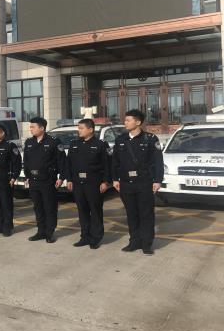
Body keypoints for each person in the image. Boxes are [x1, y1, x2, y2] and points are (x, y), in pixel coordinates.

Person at [112, 109, 164, 255]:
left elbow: (157, 161)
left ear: (138, 122)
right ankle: (134, 242)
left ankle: (146, 244)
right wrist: (115, 179)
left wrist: (157, 180)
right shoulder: (121, 139)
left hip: (144, 182)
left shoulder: (150, 139)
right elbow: (115, 161)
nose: (125, 122)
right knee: (131, 214)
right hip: (126, 183)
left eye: (128, 120)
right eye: (125, 120)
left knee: (146, 214)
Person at [65, 119, 111, 249]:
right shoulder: (74, 144)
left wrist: (105, 182)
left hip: (94, 183)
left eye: (81, 128)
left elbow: (107, 165)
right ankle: (85, 237)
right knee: (82, 211)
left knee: (95, 211)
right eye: (78, 128)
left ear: (90, 129)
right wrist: (69, 179)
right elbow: (69, 164)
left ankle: (96, 237)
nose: (78, 130)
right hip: (78, 183)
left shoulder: (100, 145)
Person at [23, 117, 66, 244]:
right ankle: (40, 231)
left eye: (33, 127)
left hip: (48, 180)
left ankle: (49, 232)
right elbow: (26, 161)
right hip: (33, 180)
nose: (31, 129)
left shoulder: (53, 142)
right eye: (30, 127)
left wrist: (61, 177)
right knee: (38, 207)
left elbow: (61, 161)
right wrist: (27, 176)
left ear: (42, 128)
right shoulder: (29, 142)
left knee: (49, 207)